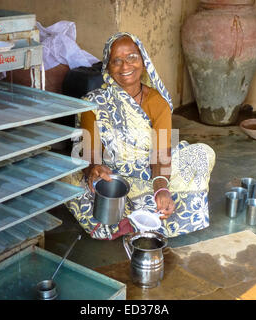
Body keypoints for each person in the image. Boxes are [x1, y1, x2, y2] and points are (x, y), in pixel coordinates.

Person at [62, 32, 215, 240]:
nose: (125, 67)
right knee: (65, 176)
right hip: (113, 176)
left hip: (150, 171)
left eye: (132, 57)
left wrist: (160, 187)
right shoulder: (94, 102)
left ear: (143, 61)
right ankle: (139, 216)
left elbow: (162, 152)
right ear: (107, 67)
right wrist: (93, 169)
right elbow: (88, 149)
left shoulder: (157, 101)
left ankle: (137, 213)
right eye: (116, 60)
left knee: (201, 154)